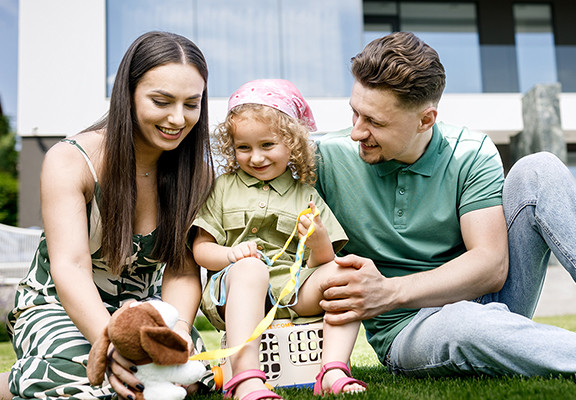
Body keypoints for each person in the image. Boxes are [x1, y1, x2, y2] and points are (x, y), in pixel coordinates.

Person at [315, 31, 576, 378]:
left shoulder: (470, 152)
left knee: (539, 168)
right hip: (410, 331)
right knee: (465, 323)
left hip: (488, 301)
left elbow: (490, 266)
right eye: (355, 113)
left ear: (426, 120)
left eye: (375, 122)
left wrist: (389, 291)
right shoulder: (324, 159)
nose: (356, 132)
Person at [0, 31, 216, 400]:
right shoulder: (71, 161)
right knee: (101, 379)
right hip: (61, 305)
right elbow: (70, 267)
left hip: (145, 312)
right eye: (161, 101)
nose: (178, 119)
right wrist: (112, 342)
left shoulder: (197, 174)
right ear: (127, 94)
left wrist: (178, 327)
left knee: (185, 377)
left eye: (191, 104)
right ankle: (14, 381)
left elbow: (181, 269)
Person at [192, 79, 367, 399]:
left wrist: (318, 241)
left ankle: (333, 370)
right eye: (243, 148)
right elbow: (201, 250)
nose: (255, 157)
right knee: (250, 268)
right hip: (234, 293)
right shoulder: (222, 188)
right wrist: (232, 255)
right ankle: (245, 380)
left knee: (347, 275)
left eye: (267, 145)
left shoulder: (306, 194)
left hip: (292, 290)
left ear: (294, 143)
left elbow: (321, 263)